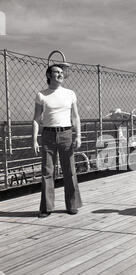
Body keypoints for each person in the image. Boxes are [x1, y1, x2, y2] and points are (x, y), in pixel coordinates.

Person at [32, 64, 82, 218]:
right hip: (48, 135)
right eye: (57, 72)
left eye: (62, 72)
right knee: (47, 171)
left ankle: (72, 205)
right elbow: (36, 119)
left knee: (70, 171)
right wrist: (34, 140)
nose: (60, 75)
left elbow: (75, 116)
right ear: (49, 75)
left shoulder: (70, 94)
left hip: (66, 133)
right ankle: (46, 207)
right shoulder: (42, 95)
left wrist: (78, 135)